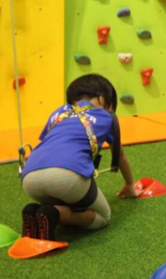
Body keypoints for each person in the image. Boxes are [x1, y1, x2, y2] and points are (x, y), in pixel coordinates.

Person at [20, 74, 137, 241]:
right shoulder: (107, 117)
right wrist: (130, 184)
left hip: (30, 179)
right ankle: (55, 214)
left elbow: (47, 143)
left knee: (67, 196)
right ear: (102, 100)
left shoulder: (58, 113)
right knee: (103, 217)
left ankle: (35, 210)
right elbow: (120, 157)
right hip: (66, 178)